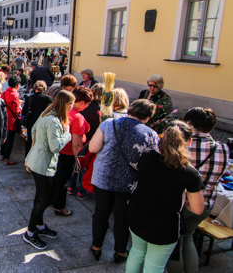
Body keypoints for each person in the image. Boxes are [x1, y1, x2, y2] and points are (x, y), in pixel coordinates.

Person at [126, 121, 204, 272]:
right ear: (189, 141)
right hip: (163, 224)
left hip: (137, 213)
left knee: (137, 254)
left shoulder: (147, 156)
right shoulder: (190, 173)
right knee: (154, 266)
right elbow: (197, 209)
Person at [88, 99, 159, 263]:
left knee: (101, 212)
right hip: (129, 181)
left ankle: (96, 247)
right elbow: (153, 161)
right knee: (122, 217)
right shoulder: (150, 134)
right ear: (147, 117)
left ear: (130, 110)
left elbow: (92, 148)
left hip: (104, 176)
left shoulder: (109, 124)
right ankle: (120, 251)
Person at [167, 108, 230, 273]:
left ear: (188, 124)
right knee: (187, 238)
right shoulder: (222, 148)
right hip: (206, 203)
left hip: (182, 203)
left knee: (175, 242)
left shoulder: (183, 145)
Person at [23, 90, 74, 250]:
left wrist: (39, 144)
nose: (72, 107)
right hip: (43, 163)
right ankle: (30, 232)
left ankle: (39, 226)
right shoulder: (54, 120)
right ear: (65, 104)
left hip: (37, 158)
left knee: (41, 196)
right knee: (45, 199)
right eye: (71, 104)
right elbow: (55, 147)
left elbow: (33, 131)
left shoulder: (47, 113)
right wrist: (67, 134)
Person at [51, 86, 92, 216]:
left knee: (56, 177)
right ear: (81, 102)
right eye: (87, 104)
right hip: (68, 153)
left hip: (57, 150)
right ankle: (59, 206)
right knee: (63, 180)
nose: (87, 107)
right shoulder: (77, 117)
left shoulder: (62, 110)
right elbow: (77, 143)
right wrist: (78, 160)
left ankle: (53, 199)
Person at [23, 80, 52, 157]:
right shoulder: (48, 99)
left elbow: (23, 112)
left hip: (31, 122)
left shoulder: (29, 98)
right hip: (43, 123)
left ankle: (28, 159)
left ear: (34, 87)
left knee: (29, 142)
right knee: (42, 142)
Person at [0, 75, 22, 165]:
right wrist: (20, 109)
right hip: (11, 119)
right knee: (10, 139)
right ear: (17, 85)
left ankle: (2, 153)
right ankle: (7, 158)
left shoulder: (3, 93)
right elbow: (16, 111)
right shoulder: (15, 94)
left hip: (4, 118)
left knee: (4, 136)